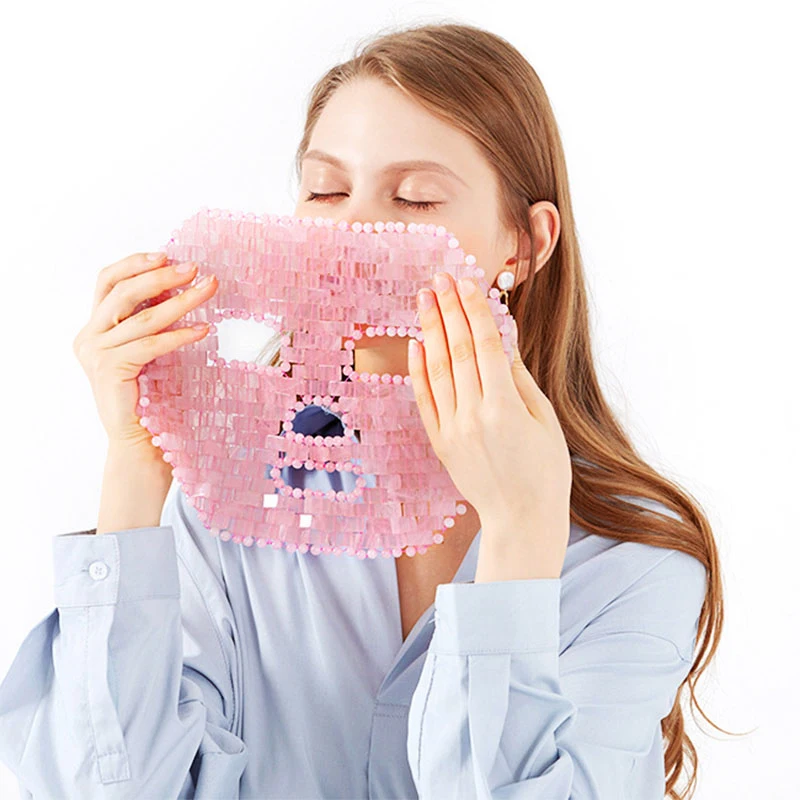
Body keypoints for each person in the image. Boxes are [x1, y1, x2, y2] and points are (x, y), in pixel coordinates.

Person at [0, 21, 725, 800]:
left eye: (414, 199)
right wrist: (136, 464)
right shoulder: (235, 501)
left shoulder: (631, 562)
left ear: (523, 245)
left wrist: (521, 537)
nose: (347, 233)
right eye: (325, 190)